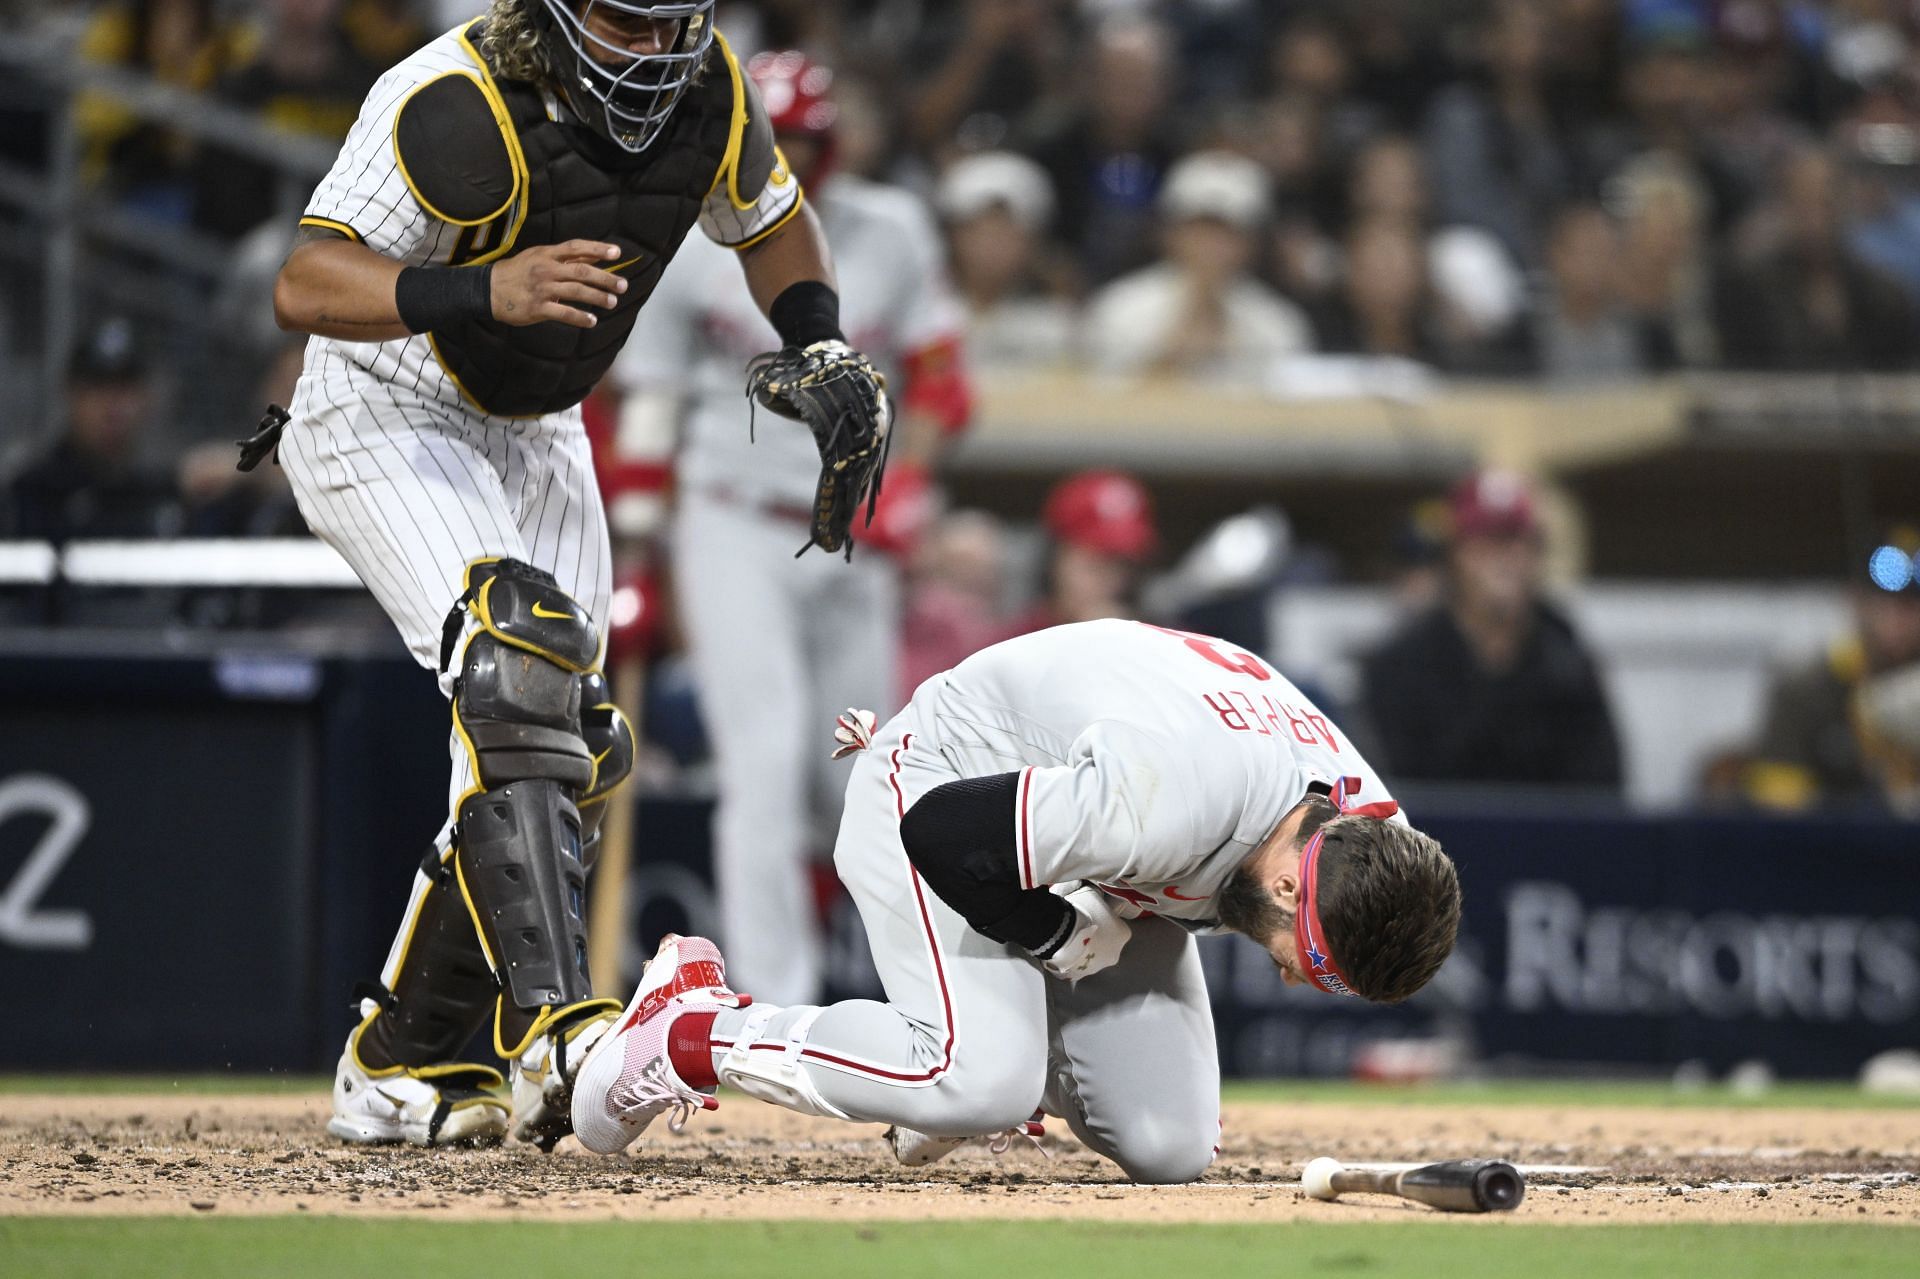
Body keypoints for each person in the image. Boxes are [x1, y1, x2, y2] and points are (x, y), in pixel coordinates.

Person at [269, 0, 888, 1151]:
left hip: (540, 423)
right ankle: (560, 1026)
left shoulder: (714, 94)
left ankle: (408, 1062)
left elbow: (773, 222)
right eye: (621, 20)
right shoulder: (451, 95)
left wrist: (818, 338)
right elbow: (306, 284)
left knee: (576, 739)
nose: (652, 48)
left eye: (673, 22)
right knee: (514, 660)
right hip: (386, 400)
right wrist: (478, 288)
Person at [567, 618, 1462, 1183]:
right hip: (942, 781)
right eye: (1319, 966)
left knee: (1169, 1145)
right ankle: (694, 1028)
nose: (1309, 984)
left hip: (1090, 836)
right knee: (974, 1077)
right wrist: (1061, 936)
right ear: (1286, 880)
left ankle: (995, 1052)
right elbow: (946, 838)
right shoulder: (1164, 799)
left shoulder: (1371, 836)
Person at [611, 49, 972, 1008]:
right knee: (763, 768)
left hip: (858, 534)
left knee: (856, 775)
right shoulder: (686, 239)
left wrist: (912, 487)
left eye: (801, 141)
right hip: (732, 520)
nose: (786, 158)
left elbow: (941, 378)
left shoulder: (891, 231)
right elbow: (646, 407)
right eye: (769, 140)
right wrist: (638, 553)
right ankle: (779, 1005)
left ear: (832, 142)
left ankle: (892, 998)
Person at [1361, 470, 1622, 791]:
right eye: (1486, 541)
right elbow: (1387, 798)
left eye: (1518, 541)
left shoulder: (1570, 666)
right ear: (1455, 555)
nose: (1505, 558)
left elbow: (1603, 794)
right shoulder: (1401, 667)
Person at [1084, 150, 1313, 386]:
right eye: (1199, 229)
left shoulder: (1278, 324)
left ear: (1252, 243)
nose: (1210, 246)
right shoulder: (1118, 310)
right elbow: (1096, 401)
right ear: (1169, 233)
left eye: (1226, 232)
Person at [1744, 528, 1920, 812]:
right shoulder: (1806, 690)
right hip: (1831, 850)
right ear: (1856, 602)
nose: (1898, 621)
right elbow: (1777, 814)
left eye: (1912, 607)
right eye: (1885, 603)